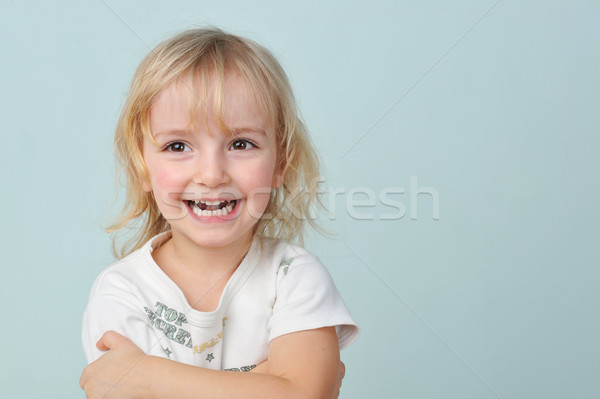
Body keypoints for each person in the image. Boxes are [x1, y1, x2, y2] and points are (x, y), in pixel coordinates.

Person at [79, 27, 359, 399]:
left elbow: (304, 395)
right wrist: (268, 381)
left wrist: (150, 378)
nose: (211, 174)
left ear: (282, 163)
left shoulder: (294, 277)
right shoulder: (122, 291)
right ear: (143, 167)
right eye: (178, 145)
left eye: (241, 143)